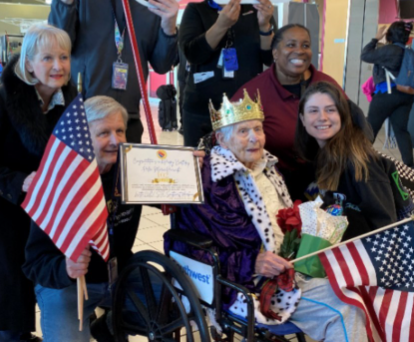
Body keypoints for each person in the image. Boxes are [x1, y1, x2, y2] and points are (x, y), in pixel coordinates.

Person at [165, 91, 367, 341]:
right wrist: (252, 261)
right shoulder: (208, 179)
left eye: (258, 129)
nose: (254, 139)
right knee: (346, 308)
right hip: (248, 284)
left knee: (357, 290)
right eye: (243, 131)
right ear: (221, 139)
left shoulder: (269, 169)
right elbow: (189, 246)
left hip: (292, 268)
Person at [0, 24, 76, 342]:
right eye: (48, 57)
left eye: (64, 56)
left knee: (43, 276)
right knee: (6, 290)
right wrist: (20, 182)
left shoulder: (71, 106)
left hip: (42, 210)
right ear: (28, 64)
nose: (58, 65)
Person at [23, 95, 143, 342]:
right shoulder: (58, 182)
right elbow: (34, 263)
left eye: (120, 130)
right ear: (83, 139)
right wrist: (65, 268)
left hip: (117, 274)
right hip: (67, 283)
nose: (115, 140)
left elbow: (173, 187)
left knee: (177, 301)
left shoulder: (133, 171)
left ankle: (108, 326)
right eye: (103, 133)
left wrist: (191, 169)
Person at [49, 0, 179, 143]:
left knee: (124, 173)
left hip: (129, 120)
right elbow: (56, 47)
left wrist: (169, 28)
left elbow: (162, 65)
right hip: (84, 117)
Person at [232, 23, 341, 200]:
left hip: (328, 180)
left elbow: (353, 127)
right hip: (272, 185)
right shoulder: (253, 92)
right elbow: (228, 140)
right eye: (291, 45)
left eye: (305, 45)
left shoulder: (328, 85)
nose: (299, 51)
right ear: (274, 52)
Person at [179, 0, 275, 147]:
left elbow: (269, 58)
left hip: (244, 111)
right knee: (201, 169)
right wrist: (221, 24)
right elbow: (193, 53)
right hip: (202, 113)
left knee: (243, 169)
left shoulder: (254, 9)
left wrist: (265, 25)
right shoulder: (196, 10)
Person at [295, 81, 409, 240]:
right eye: (313, 111)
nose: (322, 117)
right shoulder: (315, 159)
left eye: (330, 110)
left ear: (342, 115)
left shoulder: (361, 162)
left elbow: (384, 228)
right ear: (302, 118)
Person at [361, 21, 414, 167]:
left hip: (386, 95)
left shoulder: (389, 50)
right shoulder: (409, 52)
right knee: (401, 131)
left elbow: (365, 55)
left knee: (370, 127)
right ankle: (411, 167)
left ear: (390, 34)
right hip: (406, 96)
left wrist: (376, 38)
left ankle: (357, 162)